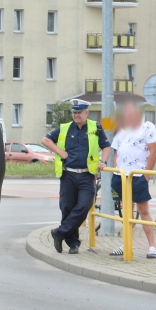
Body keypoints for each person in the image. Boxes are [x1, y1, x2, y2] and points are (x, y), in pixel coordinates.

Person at [41, 99, 110, 254]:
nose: (76, 115)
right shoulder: (65, 128)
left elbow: (106, 145)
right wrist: (60, 152)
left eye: (79, 112)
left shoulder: (95, 127)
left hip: (87, 175)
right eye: (74, 112)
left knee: (84, 206)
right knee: (67, 208)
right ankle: (73, 244)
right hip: (68, 175)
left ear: (86, 113)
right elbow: (45, 140)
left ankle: (59, 233)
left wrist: (103, 161)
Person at [107, 103, 156, 259]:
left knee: (143, 210)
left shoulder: (147, 126)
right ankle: (126, 244)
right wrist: (116, 170)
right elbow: (117, 152)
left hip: (138, 175)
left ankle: (152, 247)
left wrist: (146, 175)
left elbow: (153, 150)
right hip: (122, 175)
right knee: (126, 212)